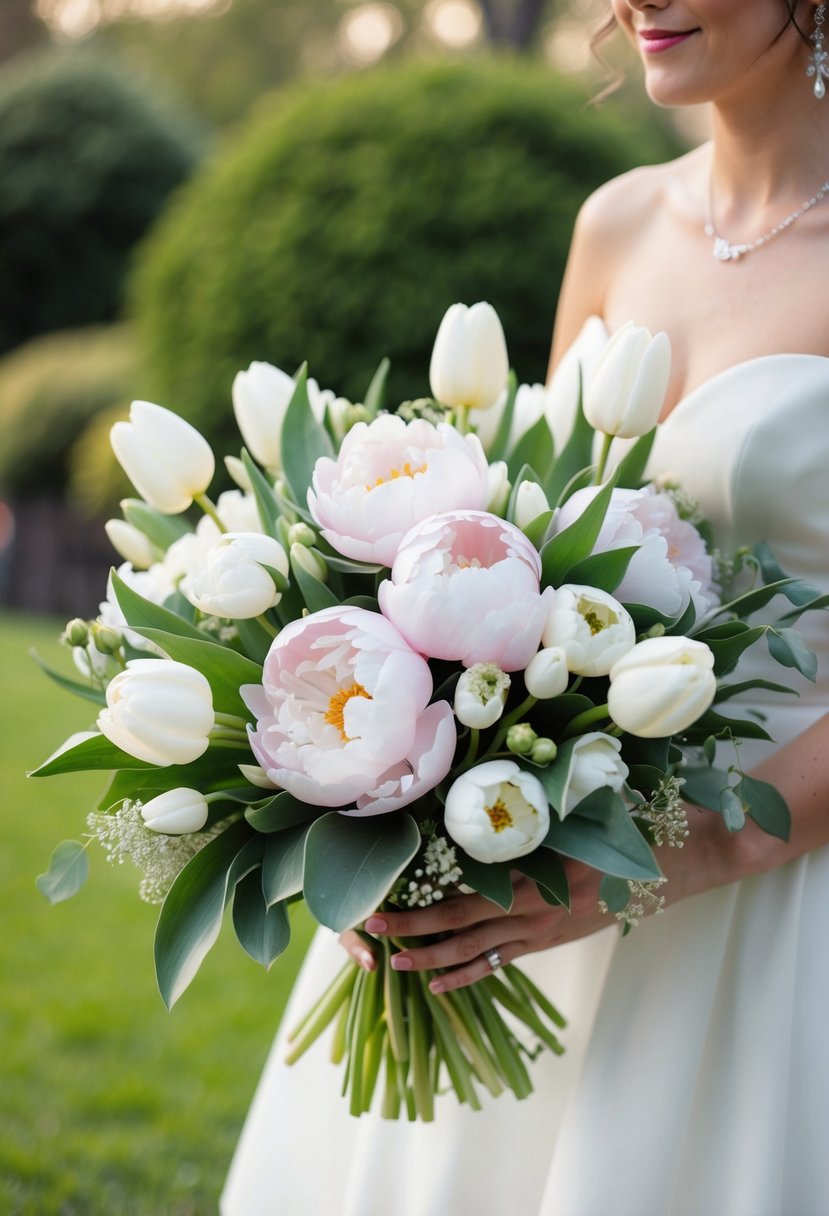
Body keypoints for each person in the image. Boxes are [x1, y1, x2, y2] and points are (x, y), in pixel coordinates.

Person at [221, 3, 829, 1212]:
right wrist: (399, 814)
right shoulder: (615, 221)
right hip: (551, 832)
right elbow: (531, 544)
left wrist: (675, 858)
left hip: (780, 883)